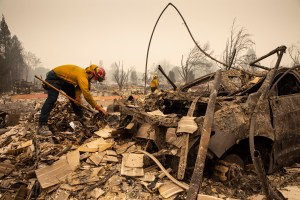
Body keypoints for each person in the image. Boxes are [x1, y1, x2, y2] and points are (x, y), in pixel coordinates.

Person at [38, 64, 107, 136]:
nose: (95, 80)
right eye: (96, 78)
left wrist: (77, 96)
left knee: (75, 99)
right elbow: (87, 95)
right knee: (52, 99)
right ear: (92, 73)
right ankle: (42, 124)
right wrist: (98, 107)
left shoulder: (85, 77)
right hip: (54, 77)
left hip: (64, 80)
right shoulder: (83, 76)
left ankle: (82, 118)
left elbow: (78, 87)